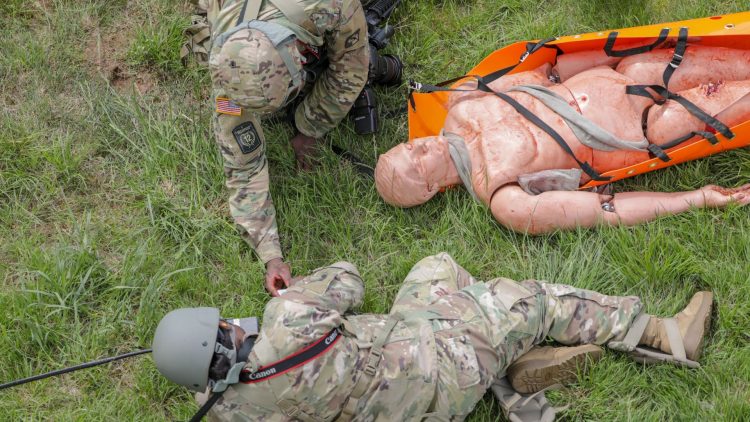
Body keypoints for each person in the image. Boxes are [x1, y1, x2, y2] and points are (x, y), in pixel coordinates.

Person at [152, 253, 713, 421]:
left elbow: (219, 394)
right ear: (224, 331)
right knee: (534, 300)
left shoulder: (228, 411)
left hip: (402, 393)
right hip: (441, 367)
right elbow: (348, 277)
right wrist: (293, 295)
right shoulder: (290, 318)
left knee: (435, 270)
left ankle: (512, 376)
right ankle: (664, 334)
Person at [375, 45, 750, 234]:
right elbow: (607, 211)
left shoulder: (461, 101)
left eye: (408, 146)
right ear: (429, 189)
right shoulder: (504, 199)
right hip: (648, 127)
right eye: (416, 162)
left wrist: (619, 50)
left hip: (626, 72)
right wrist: (697, 198)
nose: (419, 146)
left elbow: (547, 71)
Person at [190, 0, 369, 295]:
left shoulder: (330, 6)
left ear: (296, 56)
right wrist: (271, 255)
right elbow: (243, 166)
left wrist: (311, 127)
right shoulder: (228, 67)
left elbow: (352, 66)